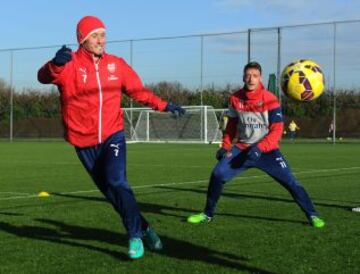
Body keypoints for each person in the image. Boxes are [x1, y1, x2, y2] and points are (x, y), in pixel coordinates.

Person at [37, 15, 185, 260]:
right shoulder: (69, 64)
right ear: (82, 39)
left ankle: (134, 237)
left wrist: (165, 105)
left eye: (103, 34)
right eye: (94, 35)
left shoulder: (116, 64)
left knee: (118, 182)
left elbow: (138, 91)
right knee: (112, 193)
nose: (100, 40)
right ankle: (145, 229)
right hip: (83, 142)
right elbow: (43, 76)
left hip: (112, 135)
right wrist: (55, 64)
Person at [187, 62, 325, 228]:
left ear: (260, 78)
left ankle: (312, 214)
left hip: (267, 151)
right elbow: (231, 126)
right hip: (243, 149)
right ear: (243, 77)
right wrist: (225, 146)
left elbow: (276, 131)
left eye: (255, 75)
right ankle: (207, 214)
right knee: (217, 175)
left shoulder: (270, 99)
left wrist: (260, 148)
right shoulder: (235, 98)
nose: (251, 79)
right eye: (248, 75)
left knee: (290, 182)